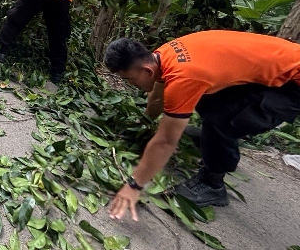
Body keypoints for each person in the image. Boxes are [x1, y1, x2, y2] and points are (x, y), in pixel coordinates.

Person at [103, 31, 300, 220]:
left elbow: (165, 142)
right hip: (279, 64)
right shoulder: (163, 55)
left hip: (294, 82)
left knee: (224, 121)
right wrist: (145, 124)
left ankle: (212, 183)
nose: (130, 84)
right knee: (205, 98)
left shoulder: (183, 77)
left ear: (146, 70)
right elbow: (158, 96)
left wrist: (134, 185)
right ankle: (212, 141)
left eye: (129, 79)